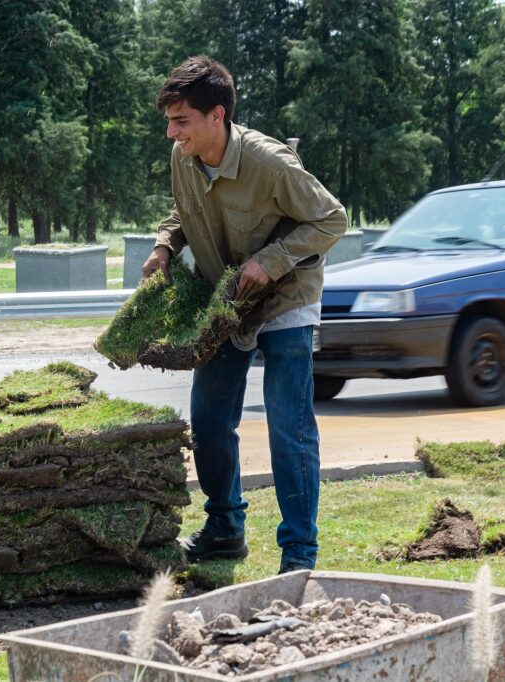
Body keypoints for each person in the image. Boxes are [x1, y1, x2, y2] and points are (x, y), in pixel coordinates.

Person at [142, 56, 347, 574]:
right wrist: (166, 245)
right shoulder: (182, 156)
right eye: (169, 121)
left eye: (181, 120)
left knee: (287, 427)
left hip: (286, 299)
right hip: (224, 303)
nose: (172, 132)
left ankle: (299, 554)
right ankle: (225, 530)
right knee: (210, 423)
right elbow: (181, 210)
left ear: (217, 115)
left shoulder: (270, 163)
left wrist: (271, 260)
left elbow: (331, 218)